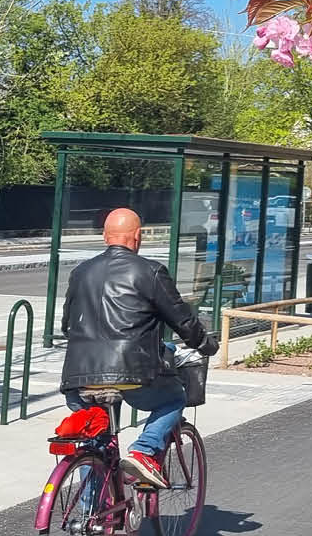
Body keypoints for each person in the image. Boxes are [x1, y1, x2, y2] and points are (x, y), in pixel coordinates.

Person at [60, 208, 212, 488]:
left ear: (105, 236)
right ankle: (144, 451)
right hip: (131, 374)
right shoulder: (150, 271)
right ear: (138, 236)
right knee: (173, 398)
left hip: (79, 377)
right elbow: (181, 319)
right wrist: (204, 343)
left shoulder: (80, 272)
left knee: (95, 441)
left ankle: (91, 511)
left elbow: (66, 324)